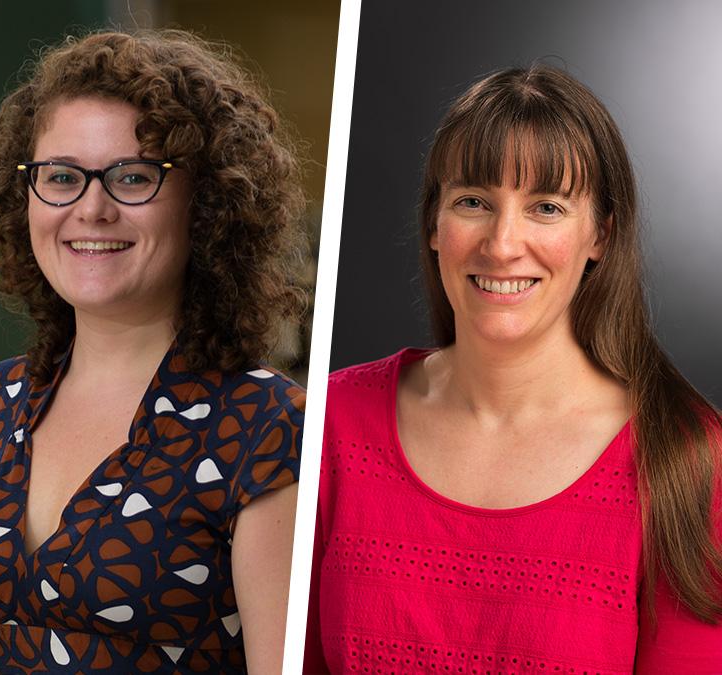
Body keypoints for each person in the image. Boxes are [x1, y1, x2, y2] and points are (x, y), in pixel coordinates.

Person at [0, 30, 308, 674]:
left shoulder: (265, 427)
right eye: (61, 177)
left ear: (205, 205)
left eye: (133, 176)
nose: (91, 208)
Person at [303, 65, 722, 672]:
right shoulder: (331, 422)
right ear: (433, 224)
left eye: (546, 208)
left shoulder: (687, 458)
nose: (501, 244)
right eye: (473, 202)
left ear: (600, 235)